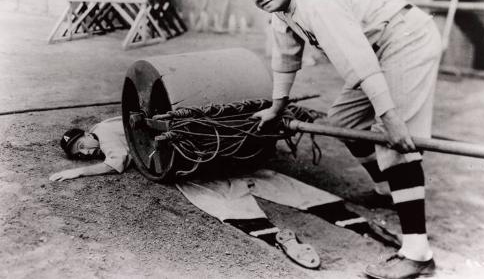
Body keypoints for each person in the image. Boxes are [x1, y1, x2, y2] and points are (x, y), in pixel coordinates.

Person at [239, 0, 441, 279]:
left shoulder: (317, 0)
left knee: (393, 139)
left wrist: (390, 115)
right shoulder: (280, 7)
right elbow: (285, 59)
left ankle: (418, 254)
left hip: (406, 38)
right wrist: (277, 108)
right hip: (376, 49)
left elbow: (359, 62)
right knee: (342, 124)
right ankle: (387, 192)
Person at [50, 117, 401, 269]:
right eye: (80, 154)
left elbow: (117, 164)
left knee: (219, 194)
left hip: (181, 153)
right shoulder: (106, 126)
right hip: (187, 143)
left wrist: (77, 171)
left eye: (83, 146)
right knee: (263, 183)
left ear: (89, 134)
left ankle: (278, 232)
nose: (86, 153)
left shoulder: (107, 136)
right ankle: (360, 225)